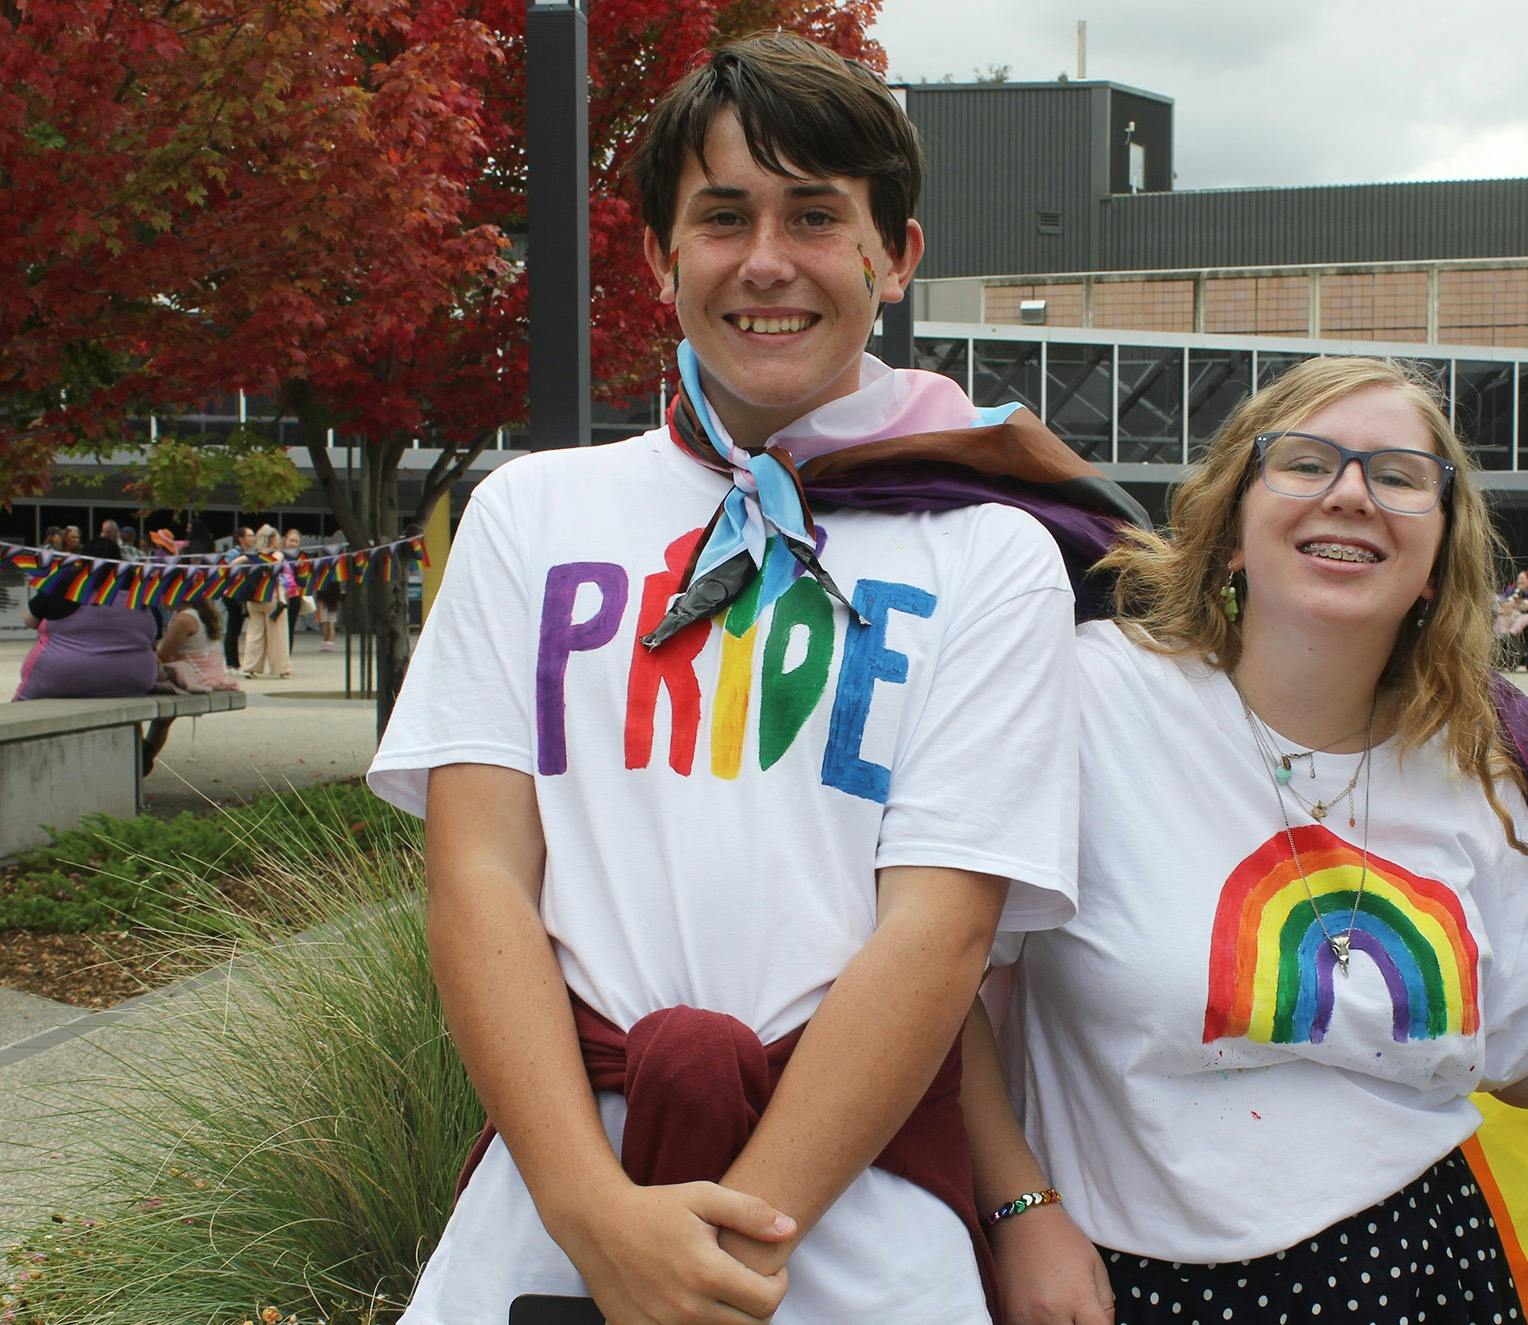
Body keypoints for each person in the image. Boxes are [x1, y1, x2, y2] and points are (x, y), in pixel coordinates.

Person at [365, 33, 1142, 1325]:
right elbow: (480, 871)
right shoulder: (528, 513)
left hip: (850, 1214)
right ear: (660, 256)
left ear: (896, 257)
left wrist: (724, 1264)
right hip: (559, 1201)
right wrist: (590, 1216)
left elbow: (939, 930)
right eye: (723, 217)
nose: (767, 260)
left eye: (817, 217)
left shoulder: (992, 549)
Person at [962, 357, 1528, 1324]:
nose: (1353, 493)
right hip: (1127, 1278)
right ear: (1230, 529)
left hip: (1426, 1268)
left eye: (1401, 476)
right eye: (1307, 462)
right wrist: (1022, 1210)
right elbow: (945, 978)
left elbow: (1522, 1044)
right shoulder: (1089, 697)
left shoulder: (1482, 764)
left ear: (1439, 556)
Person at [12, 537, 165, 701]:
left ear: (83, 560)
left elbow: (30, 620)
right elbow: (156, 638)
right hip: (133, 679)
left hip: (58, 677)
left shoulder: (65, 583)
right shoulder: (141, 591)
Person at [142, 590, 239, 774]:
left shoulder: (184, 619)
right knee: (162, 721)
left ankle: (143, 759)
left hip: (191, 677)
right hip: (207, 675)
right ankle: (144, 757)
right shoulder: (199, 612)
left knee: (140, 690)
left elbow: (164, 655)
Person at [238, 525, 292, 679]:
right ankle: (281, 668)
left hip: (253, 598)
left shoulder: (252, 555)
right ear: (273, 539)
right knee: (278, 634)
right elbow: (275, 562)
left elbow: (234, 563)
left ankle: (250, 667)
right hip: (272, 597)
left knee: (254, 633)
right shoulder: (278, 555)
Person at [221, 525, 256, 670]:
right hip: (231, 594)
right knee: (233, 627)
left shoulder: (249, 552)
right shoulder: (234, 553)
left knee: (237, 627)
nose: (253, 538)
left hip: (241, 593)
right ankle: (231, 662)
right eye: (249, 535)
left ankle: (234, 662)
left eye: (253, 535)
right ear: (241, 538)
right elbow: (226, 569)